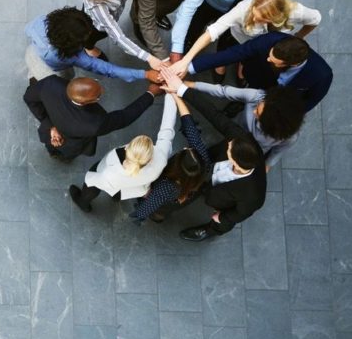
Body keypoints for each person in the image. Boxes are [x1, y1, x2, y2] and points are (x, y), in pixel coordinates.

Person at [172, 77, 268, 242]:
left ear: (234, 161)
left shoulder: (253, 196)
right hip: (209, 166)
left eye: (229, 149)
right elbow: (214, 115)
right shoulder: (244, 140)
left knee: (222, 223)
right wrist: (181, 90)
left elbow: (240, 213)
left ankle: (209, 231)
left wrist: (224, 218)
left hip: (218, 198)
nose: (228, 143)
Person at [162, 71, 305, 172]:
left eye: (259, 114)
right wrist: (187, 85)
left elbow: (277, 152)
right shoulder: (258, 96)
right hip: (235, 126)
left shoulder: (290, 137)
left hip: (250, 148)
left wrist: (267, 165)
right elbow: (223, 91)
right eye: (258, 108)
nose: (254, 110)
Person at [169, 0, 321, 79]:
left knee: (252, 60)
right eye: (254, 14)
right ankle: (222, 65)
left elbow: (316, 19)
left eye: (261, 18)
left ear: (275, 18)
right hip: (238, 38)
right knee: (226, 49)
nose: (254, 19)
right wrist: (186, 60)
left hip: (268, 46)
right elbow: (212, 31)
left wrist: (299, 36)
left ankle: (242, 65)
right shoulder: (243, 9)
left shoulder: (296, 12)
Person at [68, 94, 177, 212]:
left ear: (127, 148)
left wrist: (90, 179)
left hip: (111, 181)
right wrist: (172, 94)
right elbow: (167, 128)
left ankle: (83, 202)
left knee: (92, 183)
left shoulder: (110, 171)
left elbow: (95, 181)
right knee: (117, 193)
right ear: (150, 158)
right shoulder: (161, 158)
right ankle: (115, 198)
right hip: (132, 189)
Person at [22, 76, 162, 163]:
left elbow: (29, 97)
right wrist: (151, 93)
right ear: (87, 102)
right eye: (98, 95)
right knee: (65, 154)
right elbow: (125, 117)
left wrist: (50, 125)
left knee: (51, 146)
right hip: (71, 143)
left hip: (50, 132)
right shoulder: (94, 123)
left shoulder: (51, 84)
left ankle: (53, 152)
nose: (102, 92)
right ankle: (60, 157)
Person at [186, 32, 332, 113]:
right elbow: (233, 53)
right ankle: (240, 102)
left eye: (274, 60)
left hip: (280, 98)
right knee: (248, 90)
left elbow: (309, 103)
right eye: (270, 54)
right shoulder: (269, 40)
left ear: (291, 64)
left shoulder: (322, 75)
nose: (268, 58)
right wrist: (188, 67)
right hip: (257, 76)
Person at [25, 7, 162, 83]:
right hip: (54, 70)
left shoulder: (40, 22)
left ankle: (32, 73)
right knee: (66, 77)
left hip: (32, 53)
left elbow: (27, 29)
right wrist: (145, 74)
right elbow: (107, 69)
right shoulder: (74, 58)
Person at [129, 94, 208, 224]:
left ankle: (157, 217)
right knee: (165, 209)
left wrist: (139, 214)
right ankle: (159, 217)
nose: (185, 148)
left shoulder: (166, 186)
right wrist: (177, 96)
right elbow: (191, 130)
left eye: (183, 152)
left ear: (176, 166)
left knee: (158, 210)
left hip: (167, 200)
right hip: (185, 197)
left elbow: (148, 206)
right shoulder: (203, 160)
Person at [80, 0, 167, 71]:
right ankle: (89, 48)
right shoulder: (98, 7)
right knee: (91, 36)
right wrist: (149, 58)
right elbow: (118, 37)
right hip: (95, 26)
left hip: (113, 13)